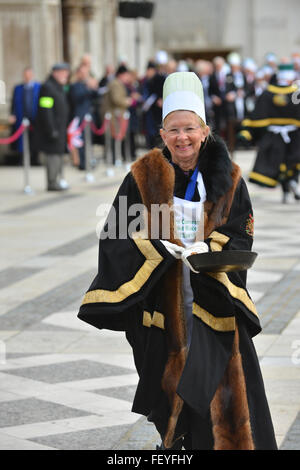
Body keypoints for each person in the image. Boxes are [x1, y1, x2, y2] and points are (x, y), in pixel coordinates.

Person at [77, 71, 277, 450]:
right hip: (163, 306)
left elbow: (240, 230)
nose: (182, 138)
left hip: (213, 301)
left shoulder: (229, 179)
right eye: (173, 130)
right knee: (168, 393)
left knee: (225, 392)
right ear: (162, 134)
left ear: (204, 131)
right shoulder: (142, 177)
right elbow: (117, 233)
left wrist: (210, 250)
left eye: (189, 128)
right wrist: (157, 247)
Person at [239, 63, 300, 203]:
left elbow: (256, 115)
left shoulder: (267, 93)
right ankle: (291, 185)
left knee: (281, 164)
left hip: (274, 136)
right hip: (293, 136)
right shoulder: (296, 94)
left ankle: (288, 189)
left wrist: (247, 132)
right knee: (291, 163)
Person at [35, 62, 70, 191]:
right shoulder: (48, 87)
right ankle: (52, 182)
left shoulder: (58, 87)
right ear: (56, 73)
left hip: (60, 128)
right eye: (63, 73)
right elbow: (46, 110)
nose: (66, 75)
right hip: (53, 129)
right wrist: (51, 129)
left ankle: (57, 180)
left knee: (59, 155)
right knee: (53, 156)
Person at [69, 64, 99, 170]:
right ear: (78, 74)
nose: (85, 75)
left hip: (89, 118)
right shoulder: (74, 85)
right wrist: (88, 87)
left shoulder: (87, 85)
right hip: (80, 117)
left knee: (89, 140)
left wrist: (94, 87)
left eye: (86, 73)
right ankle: (82, 163)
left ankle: (88, 160)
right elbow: (77, 97)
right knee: (80, 142)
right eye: (83, 73)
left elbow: (96, 95)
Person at [9, 67, 40, 165]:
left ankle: (35, 159)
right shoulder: (18, 88)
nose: (27, 77)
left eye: (29, 74)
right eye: (26, 75)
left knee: (35, 138)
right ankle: (23, 159)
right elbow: (13, 103)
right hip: (21, 117)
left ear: (32, 75)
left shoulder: (39, 87)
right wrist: (12, 114)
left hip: (35, 118)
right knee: (21, 140)